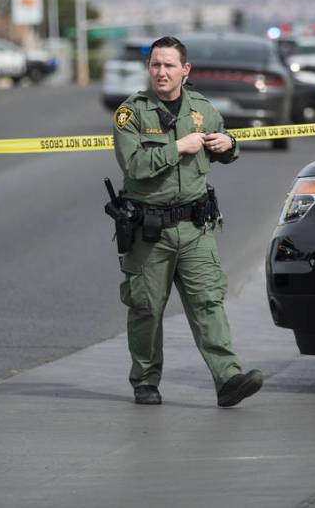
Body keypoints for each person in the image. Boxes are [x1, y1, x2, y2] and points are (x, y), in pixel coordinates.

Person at [111, 35, 262, 407]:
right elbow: (133, 165)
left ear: (185, 70)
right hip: (150, 230)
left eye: (169, 65)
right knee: (146, 308)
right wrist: (176, 147)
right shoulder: (131, 114)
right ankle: (145, 380)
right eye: (155, 65)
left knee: (208, 302)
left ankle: (228, 379)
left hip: (195, 227)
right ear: (149, 68)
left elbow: (225, 144)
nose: (161, 72)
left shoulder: (203, 108)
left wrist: (230, 144)